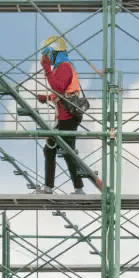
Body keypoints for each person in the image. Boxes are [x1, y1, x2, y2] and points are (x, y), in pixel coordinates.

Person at [35, 35, 86, 194]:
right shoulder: (62, 67)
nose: (47, 58)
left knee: (65, 152)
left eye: (48, 54)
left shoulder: (64, 66)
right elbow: (61, 93)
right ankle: (70, 188)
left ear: (54, 52)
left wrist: (46, 68)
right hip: (65, 116)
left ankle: (72, 188)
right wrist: (47, 98)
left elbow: (57, 87)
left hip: (68, 117)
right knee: (58, 150)